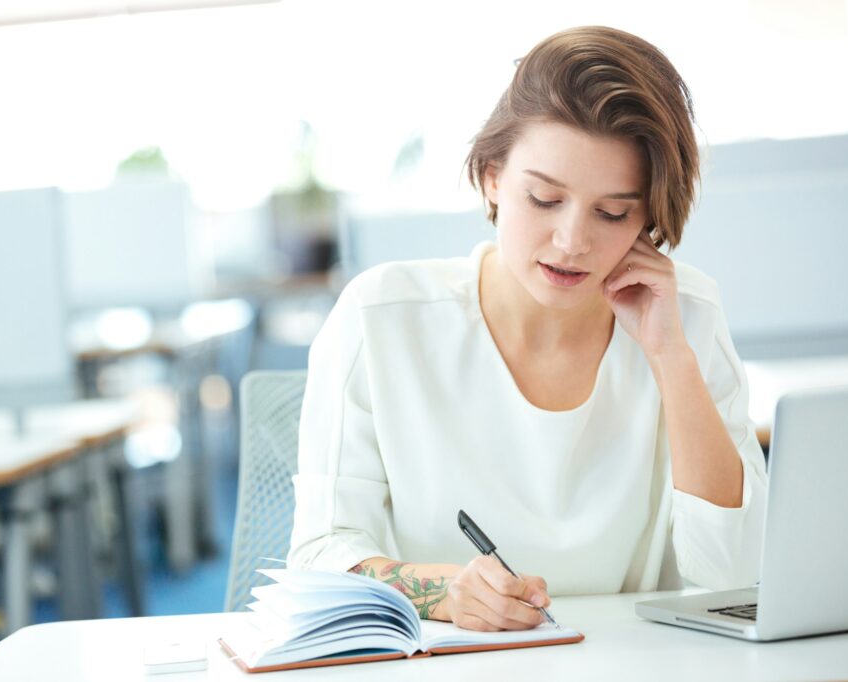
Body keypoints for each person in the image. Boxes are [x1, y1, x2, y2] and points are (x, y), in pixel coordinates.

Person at [286, 25, 768, 633]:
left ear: (651, 214)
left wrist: (671, 357)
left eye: (613, 212)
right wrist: (438, 592)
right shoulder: (381, 318)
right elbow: (318, 556)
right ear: (491, 176)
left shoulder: (685, 314)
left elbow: (735, 575)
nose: (572, 242)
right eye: (543, 199)